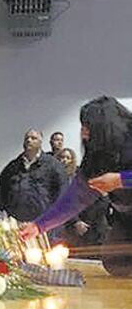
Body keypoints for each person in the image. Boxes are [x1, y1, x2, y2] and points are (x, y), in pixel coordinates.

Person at [21, 96, 132, 275]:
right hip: (125, 216)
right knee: (115, 261)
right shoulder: (97, 157)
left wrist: (121, 180)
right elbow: (75, 199)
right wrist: (39, 226)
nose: (83, 132)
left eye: (87, 125)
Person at [0, 129, 68, 222]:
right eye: (27, 138)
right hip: (15, 223)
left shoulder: (53, 165)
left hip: (41, 224)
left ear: (40, 142)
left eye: (33, 138)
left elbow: (62, 192)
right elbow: (1, 189)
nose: (29, 140)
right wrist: (3, 213)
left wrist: (53, 218)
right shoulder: (13, 166)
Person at [57, 147, 110, 248]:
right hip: (74, 227)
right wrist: (77, 222)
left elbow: (104, 202)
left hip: (96, 228)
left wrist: (86, 222)